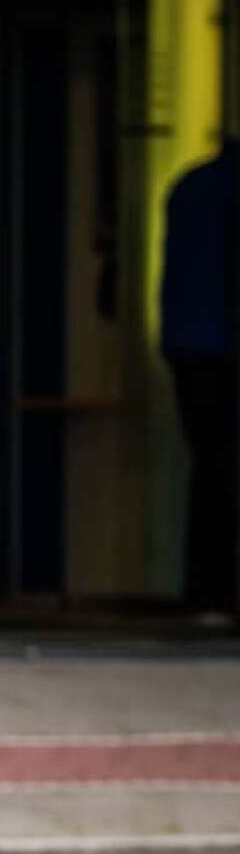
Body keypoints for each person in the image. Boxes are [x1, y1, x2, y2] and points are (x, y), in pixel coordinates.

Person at [159, 142, 237, 626]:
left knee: (209, 469)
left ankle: (206, 594)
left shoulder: (191, 185)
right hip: (219, 345)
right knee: (222, 472)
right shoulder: (215, 189)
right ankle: (216, 593)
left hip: (189, 347)